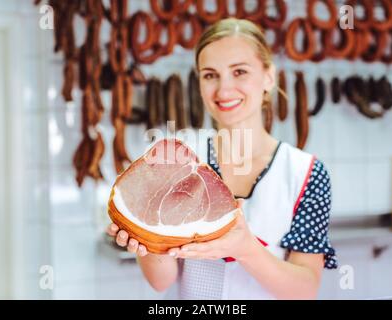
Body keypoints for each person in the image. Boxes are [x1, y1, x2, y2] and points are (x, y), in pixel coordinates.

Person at [107, 18, 337, 300]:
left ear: (268, 76)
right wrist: (145, 237)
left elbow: (305, 291)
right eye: (210, 75)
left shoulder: (306, 174)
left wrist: (246, 249)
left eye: (239, 72)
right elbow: (161, 281)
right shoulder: (178, 158)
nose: (223, 90)